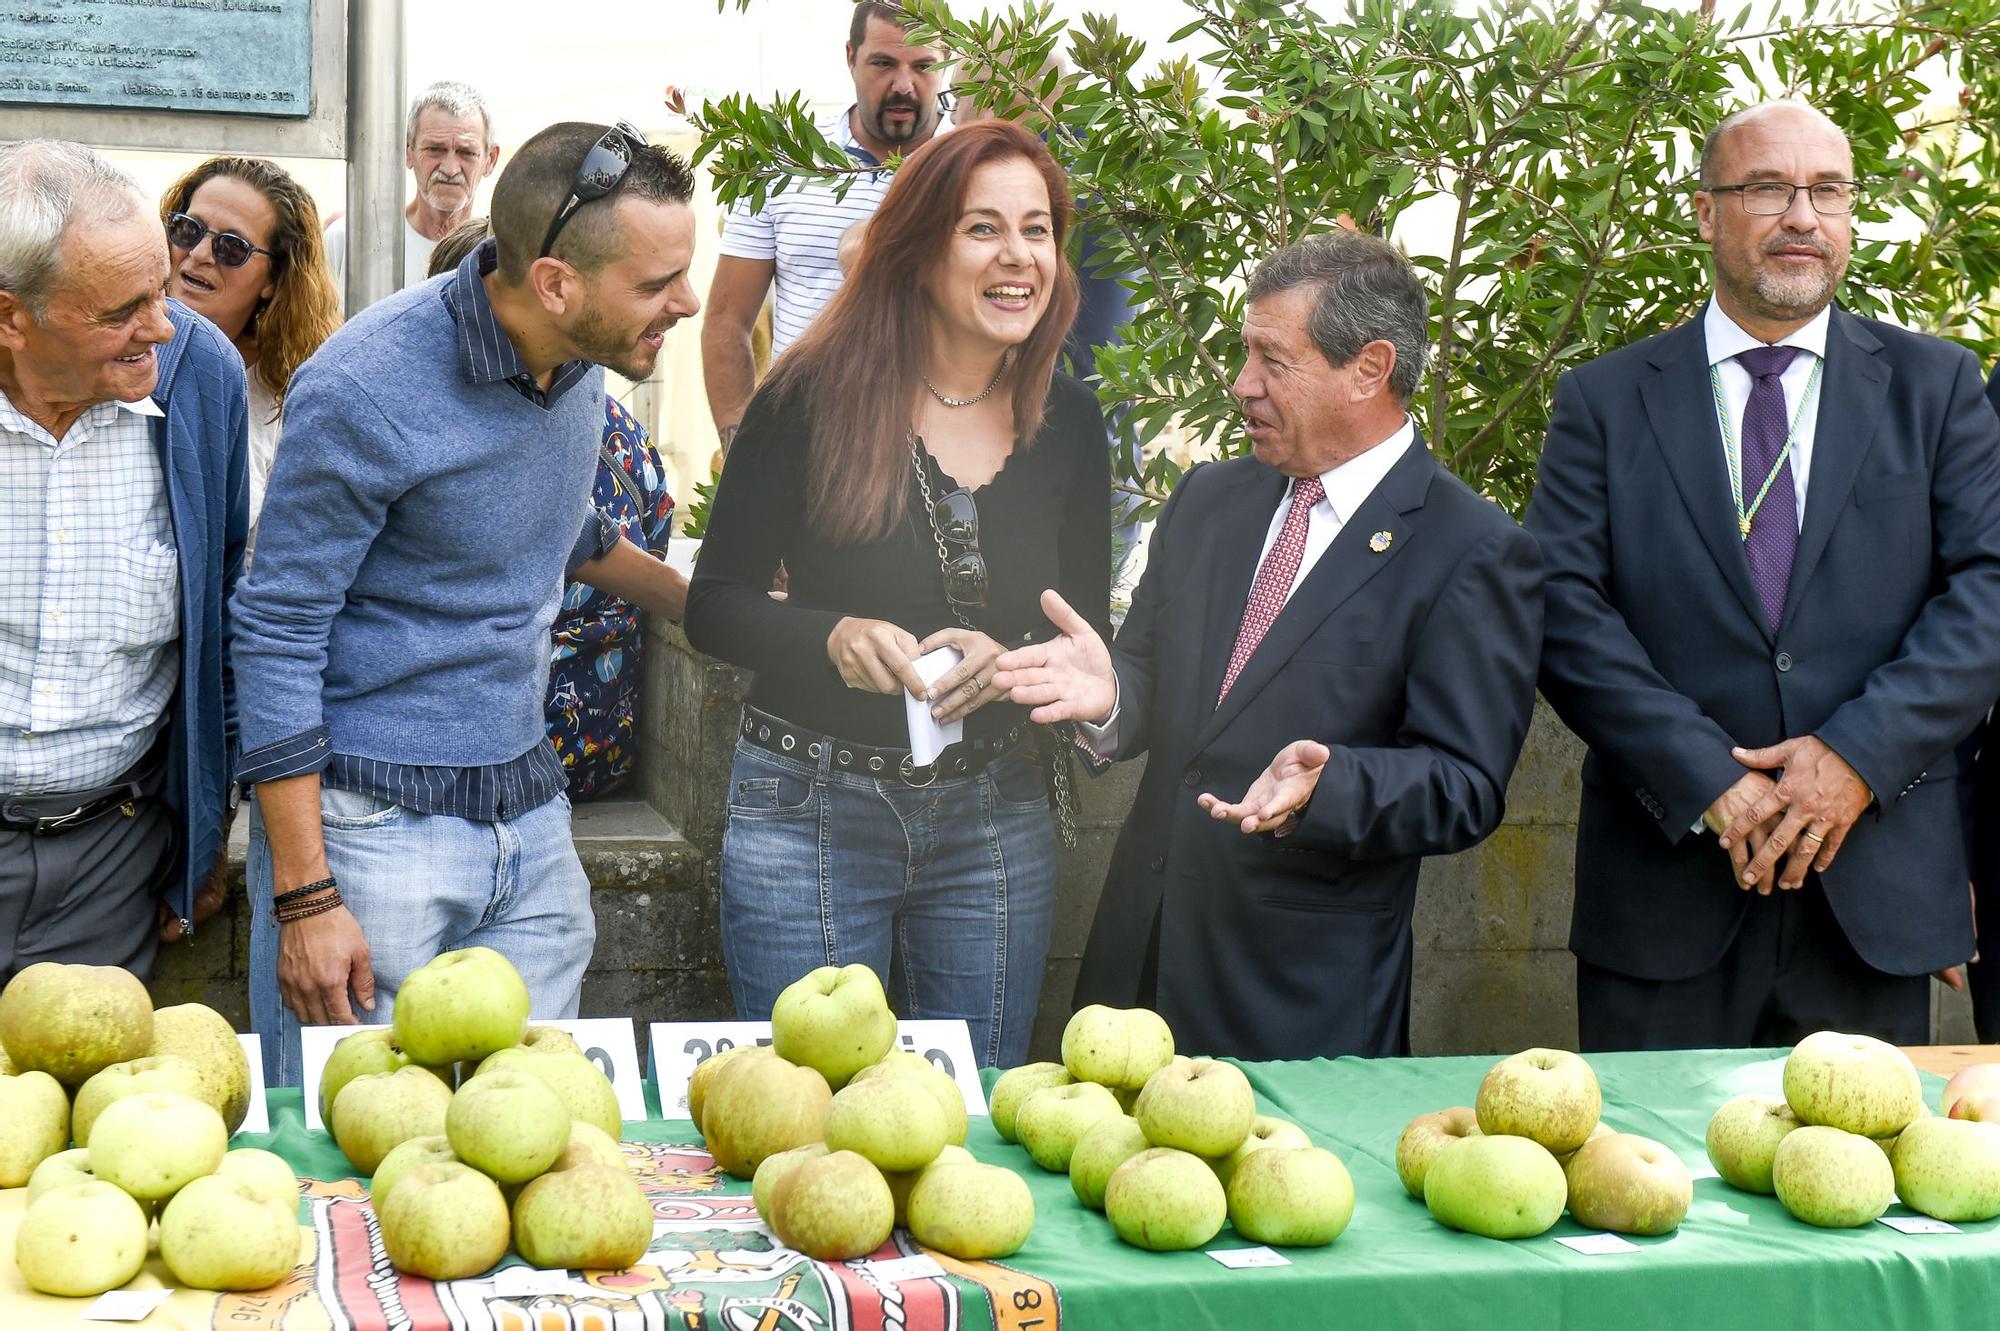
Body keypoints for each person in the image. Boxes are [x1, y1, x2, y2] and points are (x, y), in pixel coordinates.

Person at [992, 230, 1542, 1062]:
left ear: (1369, 369)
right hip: (1136, 968)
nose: (1242, 384)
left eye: (1271, 361)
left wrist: (1337, 785)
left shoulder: (1470, 546)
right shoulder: (1210, 496)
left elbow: (1465, 783)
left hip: (1296, 998)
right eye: (1245, 354)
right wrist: (1107, 696)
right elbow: (1145, 673)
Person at [1525, 102, 2000, 1051]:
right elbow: (1562, 609)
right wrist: (1711, 781)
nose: (1801, 217)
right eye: (1767, 189)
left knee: (1862, 1188)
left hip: (1872, 889)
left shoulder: (1937, 387)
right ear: (1706, 213)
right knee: (1649, 1192)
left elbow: (1987, 590)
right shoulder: (1605, 402)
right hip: (1669, 887)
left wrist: (1857, 759)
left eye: (1827, 191)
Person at [233, 122, 701, 1084]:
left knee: (533, 1153)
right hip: (370, 837)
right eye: (658, 286)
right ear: (559, 284)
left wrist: (710, 606)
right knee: (355, 1176)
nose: (687, 304)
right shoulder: (365, 386)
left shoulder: (578, 361)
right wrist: (306, 895)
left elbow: (545, 523)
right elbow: (275, 628)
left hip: (532, 824)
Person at [685, 119, 1109, 1069]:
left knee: (974, 1137)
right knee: (815, 1135)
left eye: (1037, 230)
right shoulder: (805, 399)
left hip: (995, 815)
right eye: (982, 229)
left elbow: (1087, 635)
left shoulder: (1072, 419)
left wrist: (1018, 668)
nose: (1018, 258)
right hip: (810, 808)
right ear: (918, 250)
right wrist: (827, 635)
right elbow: (714, 604)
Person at [0, 140, 249, 980]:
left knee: (87, 1104)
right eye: (122, 310)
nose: (163, 326)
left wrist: (206, 830)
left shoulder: (200, 379)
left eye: (161, 288)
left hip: (109, 860)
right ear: (10, 318)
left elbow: (225, 619)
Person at [427, 221, 677, 799]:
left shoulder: (466, 422)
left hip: (501, 752)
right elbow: (658, 531)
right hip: (606, 739)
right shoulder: (625, 429)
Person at [701, 1, 946, 452]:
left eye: (923, 65)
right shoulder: (779, 164)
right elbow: (727, 321)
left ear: (947, 60)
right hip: (804, 443)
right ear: (850, 57)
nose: (904, 85)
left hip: (943, 448)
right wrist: (743, 449)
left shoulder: (975, 168)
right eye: (883, 63)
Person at [161, 157, 342, 542]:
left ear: (274, 280)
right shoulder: (107, 352)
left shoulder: (288, 400)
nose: (199, 254)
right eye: (188, 230)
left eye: (231, 247)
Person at [325, 81, 499, 310]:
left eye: (466, 153)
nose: (450, 168)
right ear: (408, 151)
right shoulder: (347, 240)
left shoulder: (501, 256)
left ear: (490, 160)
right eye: (435, 149)